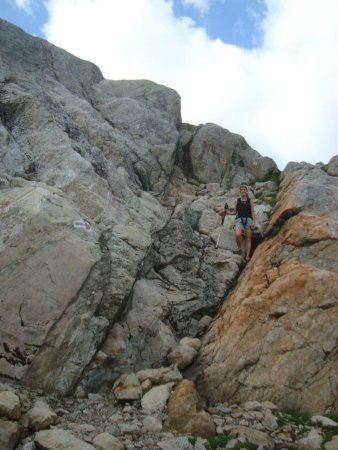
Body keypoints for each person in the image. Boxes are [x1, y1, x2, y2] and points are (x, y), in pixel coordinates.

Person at [230, 185, 256, 261]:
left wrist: (254, 222)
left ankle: (247, 256)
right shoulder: (237, 200)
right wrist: (227, 212)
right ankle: (239, 249)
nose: (243, 191)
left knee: (248, 238)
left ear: (247, 191)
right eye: (241, 190)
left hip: (248, 220)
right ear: (240, 191)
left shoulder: (250, 200)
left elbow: (252, 212)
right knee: (237, 234)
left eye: (244, 189)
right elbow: (235, 212)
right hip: (239, 220)